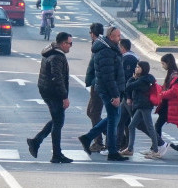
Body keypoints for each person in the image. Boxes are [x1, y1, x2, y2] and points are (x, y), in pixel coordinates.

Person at [78, 26, 128, 161]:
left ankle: (88, 138)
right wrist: (115, 95)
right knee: (113, 120)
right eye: (118, 36)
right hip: (109, 90)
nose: (120, 38)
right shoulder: (106, 51)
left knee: (113, 118)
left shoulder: (110, 48)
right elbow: (108, 76)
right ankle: (111, 151)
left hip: (109, 89)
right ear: (111, 37)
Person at [28, 32, 74, 163]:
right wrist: (64, 97)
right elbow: (57, 78)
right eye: (69, 43)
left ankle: (36, 141)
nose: (70, 46)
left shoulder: (51, 52)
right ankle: (56, 154)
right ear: (63, 43)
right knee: (58, 122)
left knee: (56, 120)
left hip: (47, 90)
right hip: (53, 93)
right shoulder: (57, 57)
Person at [120, 60, 165, 158]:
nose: (136, 68)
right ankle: (130, 149)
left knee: (150, 127)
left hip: (145, 106)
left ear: (143, 69)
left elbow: (128, 86)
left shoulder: (143, 80)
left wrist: (133, 78)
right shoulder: (142, 79)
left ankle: (156, 151)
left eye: (138, 67)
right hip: (140, 106)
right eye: (136, 67)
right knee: (131, 126)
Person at [154, 53, 178, 150]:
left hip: (172, 105)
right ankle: (156, 146)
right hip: (169, 104)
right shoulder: (172, 74)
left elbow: (174, 91)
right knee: (159, 125)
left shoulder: (175, 75)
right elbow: (166, 88)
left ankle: (157, 146)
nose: (162, 66)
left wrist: (161, 94)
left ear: (168, 63)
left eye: (163, 64)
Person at [83, 23, 106, 152]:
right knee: (90, 112)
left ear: (92, 33)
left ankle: (99, 141)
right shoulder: (98, 43)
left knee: (94, 112)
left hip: (99, 84)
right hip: (95, 82)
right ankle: (109, 132)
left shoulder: (100, 45)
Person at [116, 37, 138, 150]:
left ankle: (158, 143)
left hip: (128, 96)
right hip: (126, 96)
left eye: (119, 46)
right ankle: (120, 146)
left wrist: (127, 95)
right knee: (122, 121)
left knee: (136, 123)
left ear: (123, 48)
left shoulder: (128, 59)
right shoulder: (129, 57)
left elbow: (127, 78)